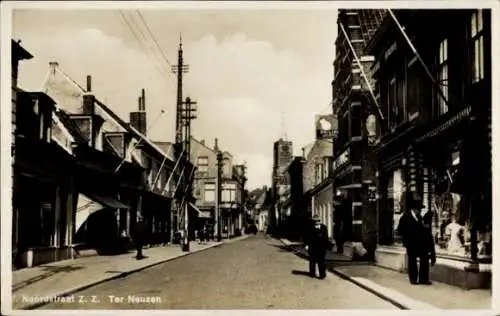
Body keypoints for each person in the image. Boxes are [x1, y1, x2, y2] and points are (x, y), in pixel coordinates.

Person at [397, 193, 436, 285]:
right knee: (412, 261)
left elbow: (425, 232)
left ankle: (423, 279)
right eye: (419, 209)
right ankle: (413, 279)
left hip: (421, 244)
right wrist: (406, 238)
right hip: (411, 244)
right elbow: (399, 230)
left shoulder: (420, 218)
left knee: (424, 259)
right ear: (414, 209)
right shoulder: (405, 218)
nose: (420, 211)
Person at [305, 215, 332, 279]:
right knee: (312, 260)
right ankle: (312, 273)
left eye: (319, 220)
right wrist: (307, 245)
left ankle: (322, 275)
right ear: (313, 221)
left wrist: (327, 245)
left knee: (321, 261)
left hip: (321, 247)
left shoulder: (324, 227)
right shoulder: (310, 228)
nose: (317, 222)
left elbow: (326, 237)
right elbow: (307, 237)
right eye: (316, 221)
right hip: (313, 246)